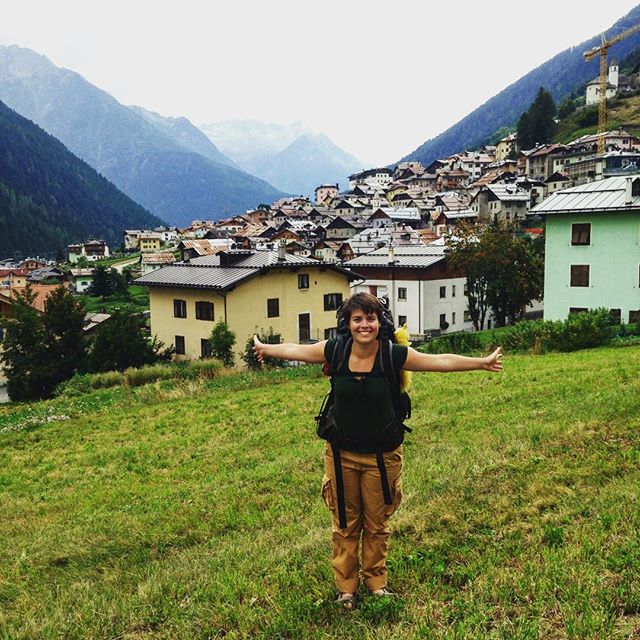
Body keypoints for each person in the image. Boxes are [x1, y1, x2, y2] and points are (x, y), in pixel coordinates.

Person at [253, 292, 502, 609]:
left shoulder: (392, 355)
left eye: (370, 318)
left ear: (379, 322)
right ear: (348, 323)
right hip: (341, 454)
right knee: (345, 524)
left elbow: (439, 361)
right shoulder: (336, 350)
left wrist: (481, 363)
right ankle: (346, 590)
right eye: (357, 319)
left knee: (376, 525)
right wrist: (266, 348)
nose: (364, 325)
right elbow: (297, 350)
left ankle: (376, 585)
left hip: (382, 458)